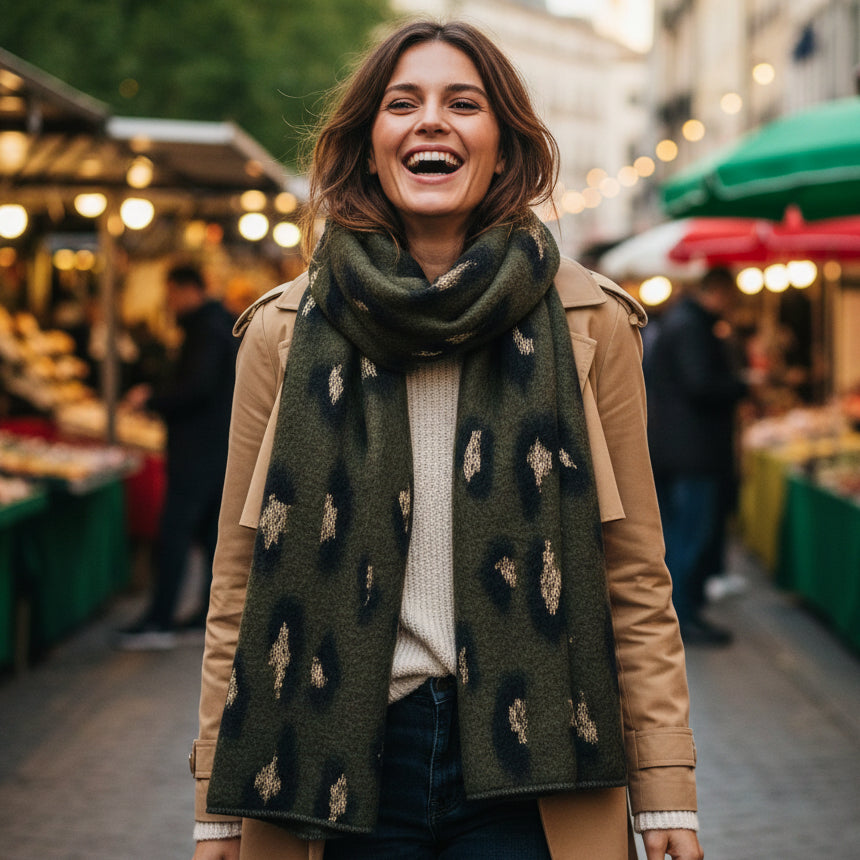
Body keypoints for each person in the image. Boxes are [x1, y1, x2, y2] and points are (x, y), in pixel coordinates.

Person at [190, 20, 703, 860]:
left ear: (502, 148)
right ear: (370, 145)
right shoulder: (282, 333)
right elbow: (240, 581)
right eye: (404, 103)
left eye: (462, 103)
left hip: (541, 766)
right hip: (334, 760)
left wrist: (667, 792)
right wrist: (216, 801)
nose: (432, 120)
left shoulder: (591, 324)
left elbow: (636, 578)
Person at [117, 263, 237, 650]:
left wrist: (153, 399)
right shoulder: (221, 324)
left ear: (187, 289)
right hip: (218, 447)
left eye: (170, 295)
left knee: (174, 534)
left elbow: (197, 388)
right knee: (209, 536)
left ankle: (160, 619)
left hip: (198, 450)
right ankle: (201, 615)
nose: (168, 304)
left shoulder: (207, 330)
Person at [644, 267, 749, 646]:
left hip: (675, 448)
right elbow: (700, 384)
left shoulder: (680, 321)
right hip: (692, 452)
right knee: (690, 535)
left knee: (680, 535)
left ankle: (679, 612)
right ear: (718, 291)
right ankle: (681, 616)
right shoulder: (691, 326)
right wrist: (743, 385)